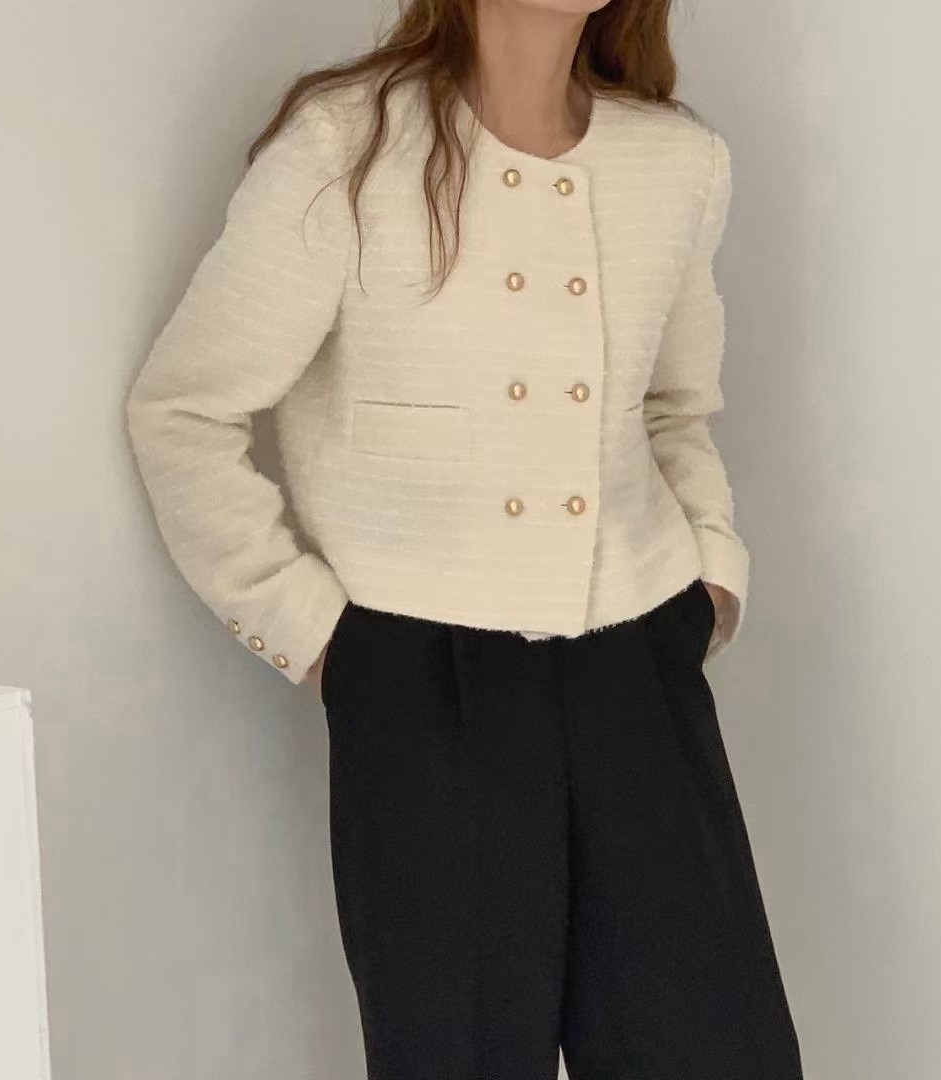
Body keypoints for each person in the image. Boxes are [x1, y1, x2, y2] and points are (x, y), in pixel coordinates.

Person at [126, 0, 804, 1075]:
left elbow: (674, 408)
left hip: (640, 666)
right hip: (426, 684)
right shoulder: (347, 145)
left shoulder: (676, 162)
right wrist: (319, 636)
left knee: (717, 1049)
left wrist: (711, 574)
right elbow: (184, 411)